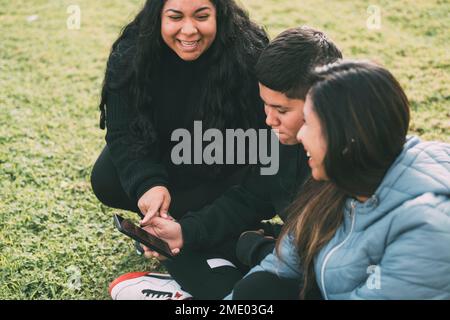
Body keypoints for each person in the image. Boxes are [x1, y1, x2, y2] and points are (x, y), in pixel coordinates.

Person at [108, 27, 343, 300]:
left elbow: (330, 265)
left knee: (261, 290)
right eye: (265, 105)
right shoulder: (279, 141)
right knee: (183, 245)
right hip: (288, 246)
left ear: (324, 101)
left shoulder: (347, 163)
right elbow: (249, 198)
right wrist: (184, 232)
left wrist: (254, 247)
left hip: (314, 269)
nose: (269, 120)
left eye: (281, 110)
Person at [225, 60, 450, 300]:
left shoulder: (426, 229)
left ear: (344, 138)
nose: (301, 135)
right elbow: (280, 266)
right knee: (259, 289)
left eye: (309, 124)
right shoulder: (342, 180)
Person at [90, 0, 269, 225]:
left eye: (201, 17)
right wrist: (149, 184)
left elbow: (264, 138)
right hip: (168, 150)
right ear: (158, 17)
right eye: (175, 17)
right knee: (107, 177)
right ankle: (167, 216)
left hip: (222, 161)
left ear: (219, 15)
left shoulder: (248, 52)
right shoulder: (131, 53)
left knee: (263, 175)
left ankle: (193, 222)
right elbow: (123, 130)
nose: (188, 30)